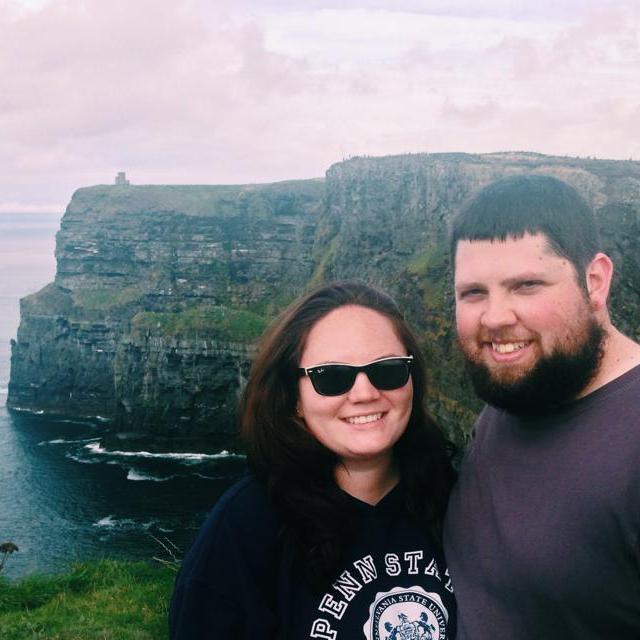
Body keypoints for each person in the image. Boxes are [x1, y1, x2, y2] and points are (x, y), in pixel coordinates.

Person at [170, 281, 457, 639]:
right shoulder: (246, 526)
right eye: (332, 377)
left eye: (388, 369)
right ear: (294, 398)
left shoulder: (454, 501)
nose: (365, 394)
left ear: (412, 379)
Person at [444, 174, 640, 639]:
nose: (495, 318)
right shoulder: (515, 395)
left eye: (526, 285)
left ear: (595, 281)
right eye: (473, 292)